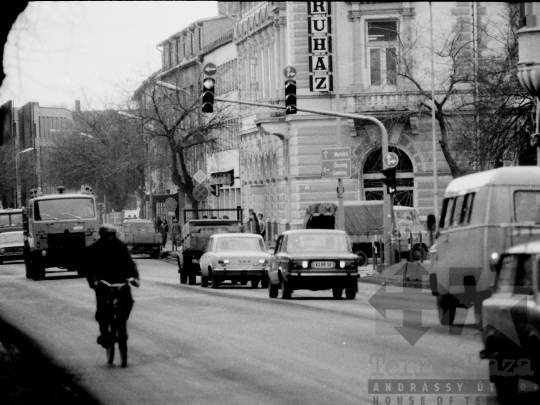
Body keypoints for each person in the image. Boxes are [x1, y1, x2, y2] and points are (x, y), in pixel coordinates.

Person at [85, 224, 140, 349]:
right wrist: (94, 281)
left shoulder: (121, 247)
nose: (110, 238)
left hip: (120, 282)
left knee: (128, 302)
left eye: (112, 235)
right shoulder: (94, 249)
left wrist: (134, 278)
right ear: (101, 236)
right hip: (103, 283)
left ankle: (122, 322)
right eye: (107, 235)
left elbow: (130, 264)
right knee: (102, 310)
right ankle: (105, 335)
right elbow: (89, 268)